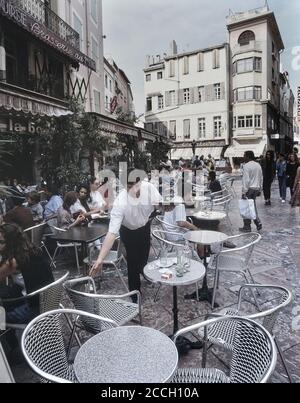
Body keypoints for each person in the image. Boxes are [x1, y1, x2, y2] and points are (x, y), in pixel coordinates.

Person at [89, 171, 161, 301]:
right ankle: (135, 296)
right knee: (133, 264)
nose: (132, 190)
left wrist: (165, 207)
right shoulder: (120, 202)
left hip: (144, 227)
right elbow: (111, 233)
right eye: (128, 186)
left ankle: (142, 271)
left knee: (143, 259)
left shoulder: (149, 188)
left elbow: (159, 204)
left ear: (140, 183)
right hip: (128, 230)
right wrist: (100, 259)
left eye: (135, 185)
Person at [0, 223, 54, 324]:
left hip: (34, 310)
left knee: (1, 315)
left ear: (11, 243)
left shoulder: (13, 262)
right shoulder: (32, 250)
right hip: (50, 302)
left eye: (1, 242)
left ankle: (7, 336)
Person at [240, 151, 263, 233]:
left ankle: (247, 226)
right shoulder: (258, 165)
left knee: (246, 207)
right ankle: (257, 222)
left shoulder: (246, 166)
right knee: (252, 206)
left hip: (249, 189)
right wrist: (260, 189)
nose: (243, 157)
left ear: (248, 156)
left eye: (244, 155)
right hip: (256, 189)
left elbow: (246, 180)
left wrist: (244, 192)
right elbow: (261, 177)